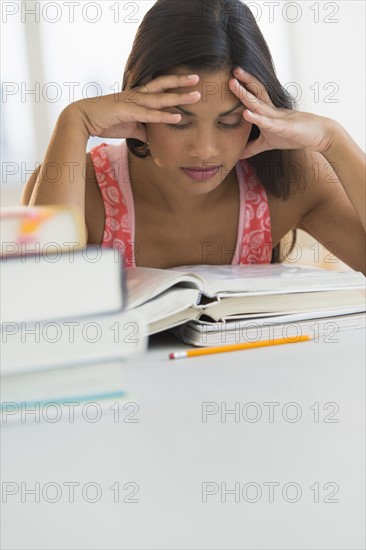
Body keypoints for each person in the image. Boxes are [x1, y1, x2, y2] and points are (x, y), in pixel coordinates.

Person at [21, 0, 365, 274]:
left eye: (229, 122)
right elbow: (39, 302)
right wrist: (73, 121)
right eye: (179, 122)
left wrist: (332, 139)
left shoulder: (291, 179)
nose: (204, 150)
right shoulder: (78, 184)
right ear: (138, 104)